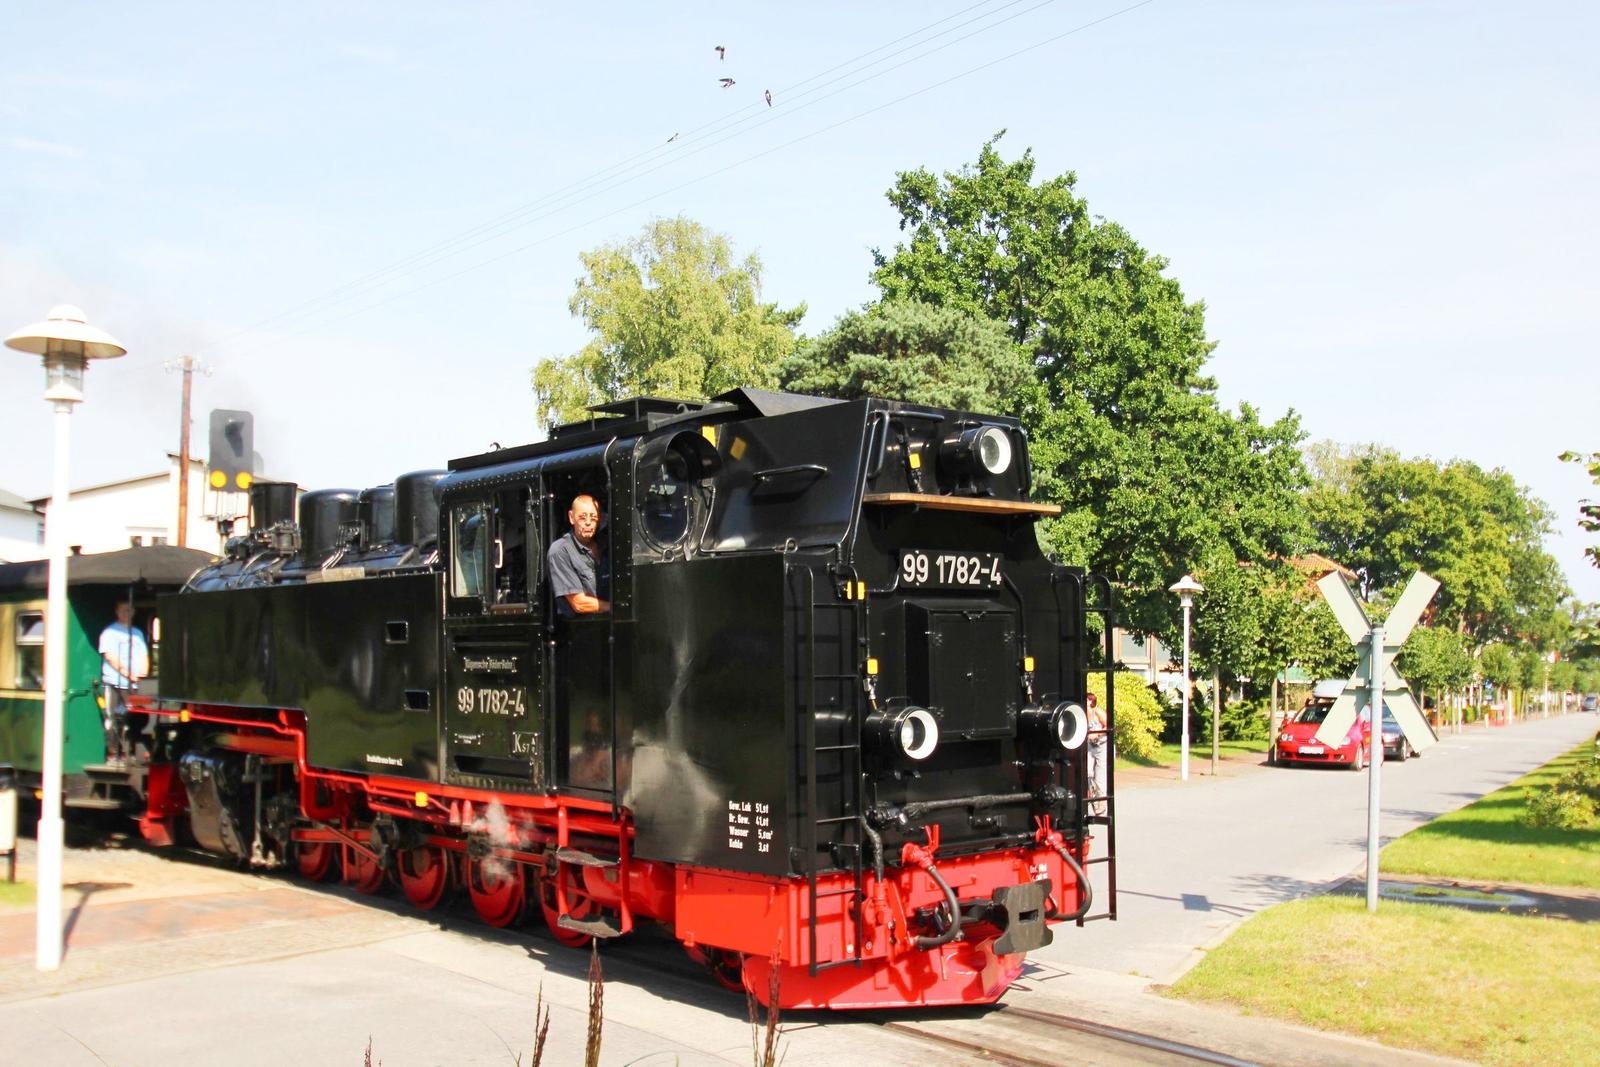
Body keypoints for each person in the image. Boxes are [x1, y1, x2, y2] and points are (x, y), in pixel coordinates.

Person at [99, 600, 149, 762]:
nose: (127, 613)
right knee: (115, 717)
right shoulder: (109, 633)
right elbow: (110, 657)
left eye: (130, 610)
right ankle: (114, 752)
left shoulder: (137, 633)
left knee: (138, 717)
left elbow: (144, 655)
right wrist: (128, 674)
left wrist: (143, 674)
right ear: (117, 611)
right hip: (115, 682)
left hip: (134, 684)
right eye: (123, 610)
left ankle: (134, 749)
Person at [546, 494, 610, 617]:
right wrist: (616, 608)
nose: (588, 523)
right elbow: (579, 603)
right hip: (577, 630)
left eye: (593, 518)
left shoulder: (607, 546)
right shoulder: (560, 551)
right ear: (571, 517)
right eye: (582, 517)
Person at [1086, 691, 1108, 817]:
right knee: (1088, 773)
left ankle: (1101, 802)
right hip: (1090, 746)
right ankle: (1092, 797)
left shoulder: (1097, 712)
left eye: (1087, 700)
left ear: (1091, 701)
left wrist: (1097, 733)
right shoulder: (1083, 714)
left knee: (1100, 775)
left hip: (1101, 745)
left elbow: (1108, 726)